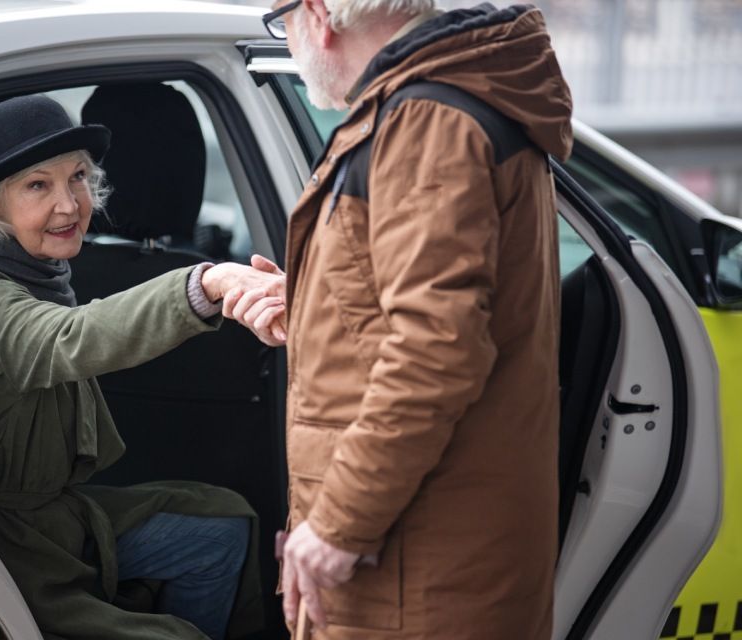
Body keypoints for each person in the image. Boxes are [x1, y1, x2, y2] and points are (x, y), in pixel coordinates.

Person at [228, 1, 573, 638]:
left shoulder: (426, 122)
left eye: (281, 19)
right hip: (428, 557)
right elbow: (425, 309)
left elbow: (436, 349)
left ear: (318, 13)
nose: (291, 42)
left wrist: (337, 523)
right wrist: (311, 302)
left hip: (414, 568)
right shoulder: (450, 103)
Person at [0, 94, 285, 640]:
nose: (70, 204)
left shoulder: (24, 268)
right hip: (4, 549)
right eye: (37, 185)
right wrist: (207, 282)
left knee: (222, 523)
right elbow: (70, 337)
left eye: (77, 177)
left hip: (59, 519)